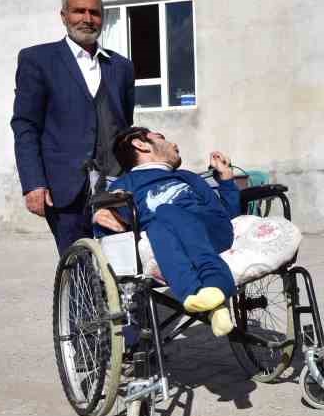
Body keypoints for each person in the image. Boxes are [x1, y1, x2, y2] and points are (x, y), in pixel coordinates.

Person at [11, 0, 136, 254]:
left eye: (95, 13)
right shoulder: (38, 60)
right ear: (64, 16)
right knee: (78, 266)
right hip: (66, 189)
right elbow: (25, 126)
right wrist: (34, 183)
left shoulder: (121, 67)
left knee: (120, 266)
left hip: (115, 186)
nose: (87, 19)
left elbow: (125, 124)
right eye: (79, 11)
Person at [95, 127, 244, 336]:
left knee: (164, 212)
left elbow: (226, 216)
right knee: (157, 225)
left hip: (211, 231)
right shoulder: (123, 185)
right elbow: (111, 235)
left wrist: (227, 179)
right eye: (162, 138)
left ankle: (217, 284)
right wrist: (100, 217)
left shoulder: (187, 177)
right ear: (141, 144)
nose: (175, 145)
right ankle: (199, 298)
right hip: (167, 237)